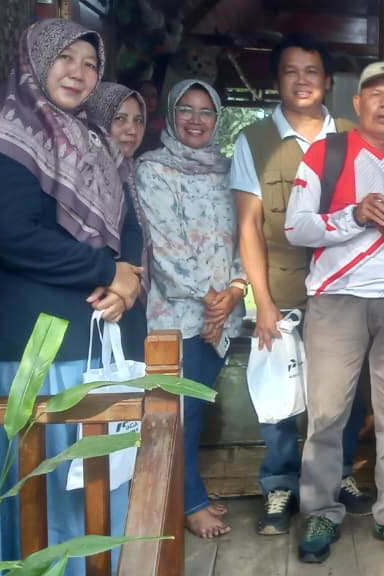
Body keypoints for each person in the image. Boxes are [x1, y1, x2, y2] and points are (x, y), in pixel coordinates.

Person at [0, 19, 143, 575]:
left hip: (89, 339)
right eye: (65, 58)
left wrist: (126, 284)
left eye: (90, 64)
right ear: (36, 60)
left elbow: (128, 223)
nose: (78, 73)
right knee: (37, 490)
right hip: (26, 347)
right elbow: (13, 235)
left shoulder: (93, 141)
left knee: (87, 489)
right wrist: (108, 270)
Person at [285, 61, 384, 563]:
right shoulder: (325, 154)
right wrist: (353, 215)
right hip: (335, 298)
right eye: (376, 94)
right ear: (357, 102)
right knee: (327, 413)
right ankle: (321, 511)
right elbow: (295, 228)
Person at [229, 32, 372, 537]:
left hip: (346, 291)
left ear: (328, 80)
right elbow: (248, 225)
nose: (302, 80)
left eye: (312, 71)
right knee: (281, 390)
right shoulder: (253, 141)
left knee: (344, 394)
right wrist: (262, 301)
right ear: (276, 81)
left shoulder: (354, 137)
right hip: (284, 292)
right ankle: (280, 483)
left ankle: (338, 474)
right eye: (291, 71)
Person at [135, 79, 246, 539]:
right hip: (177, 315)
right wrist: (210, 299)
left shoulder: (230, 170)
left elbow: (247, 234)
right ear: (171, 114)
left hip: (223, 313)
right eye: (186, 109)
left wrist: (234, 292)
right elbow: (164, 245)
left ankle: (188, 491)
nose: (196, 120)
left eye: (206, 111)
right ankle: (189, 503)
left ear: (218, 118)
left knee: (195, 406)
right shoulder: (153, 168)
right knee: (181, 410)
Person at [84, 81, 151, 361]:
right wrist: (116, 283)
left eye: (138, 120)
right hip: (95, 299)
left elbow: (132, 230)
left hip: (125, 298)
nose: (131, 129)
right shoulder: (84, 170)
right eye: (120, 119)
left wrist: (128, 286)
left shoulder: (127, 172)